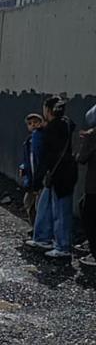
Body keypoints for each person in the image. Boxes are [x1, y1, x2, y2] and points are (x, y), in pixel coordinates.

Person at [26, 96, 78, 259]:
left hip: (58, 174)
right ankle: (43, 238)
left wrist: (36, 182)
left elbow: (46, 158)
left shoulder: (51, 130)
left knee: (60, 210)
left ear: (48, 110)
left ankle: (61, 246)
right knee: (47, 206)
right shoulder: (66, 125)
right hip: (65, 172)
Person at [75, 105, 96, 267]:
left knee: (88, 214)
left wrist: (85, 142)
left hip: (93, 186)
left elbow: (81, 158)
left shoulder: (93, 136)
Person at [19, 113, 44, 224]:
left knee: (39, 205)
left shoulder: (41, 138)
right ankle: (33, 225)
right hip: (31, 178)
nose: (33, 125)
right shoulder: (28, 141)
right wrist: (23, 167)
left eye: (35, 122)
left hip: (38, 178)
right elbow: (27, 160)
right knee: (28, 202)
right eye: (30, 124)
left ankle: (38, 229)